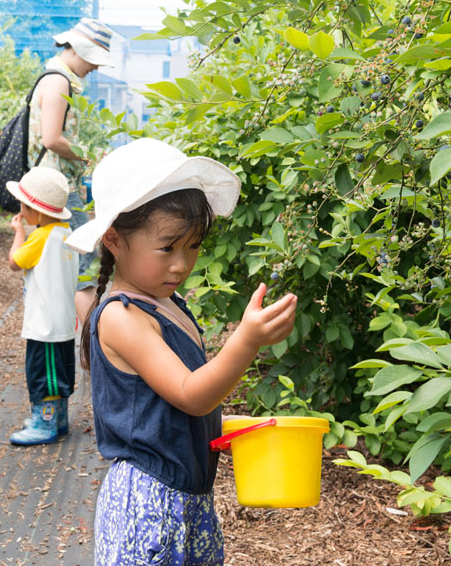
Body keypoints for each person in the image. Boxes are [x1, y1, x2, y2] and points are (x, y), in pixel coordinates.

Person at [64, 138, 298, 565]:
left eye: (193, 246)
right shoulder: (121, 317)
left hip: (188, 498)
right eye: (167, 247)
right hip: (148, 505)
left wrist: (223, 427)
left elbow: (173, 403)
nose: (182, 264)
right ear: (114, 240)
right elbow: (192, 393)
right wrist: (246, 340)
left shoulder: (168, 305)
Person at [29, 18, 114, 325]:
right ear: (80, 50)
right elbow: (51, 138)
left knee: (66, 260)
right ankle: (91, 347)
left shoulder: (59, 78)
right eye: (94, 60)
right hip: (56, 187)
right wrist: (89, 156)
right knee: (86, 260)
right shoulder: (58, 81)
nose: (95, 68)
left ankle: (73, 334)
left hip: (55, 185)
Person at [5, 167, 79, 445]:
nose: (20, 211)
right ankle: (57, 419)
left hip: (45, 323)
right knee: (58, 370)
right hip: (62, 321)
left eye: (23, 206)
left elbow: (15, 262)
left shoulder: (41, 236)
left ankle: (44, 424)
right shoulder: (65, 232)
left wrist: (18, 232)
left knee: (43, 374)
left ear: (35, 210)